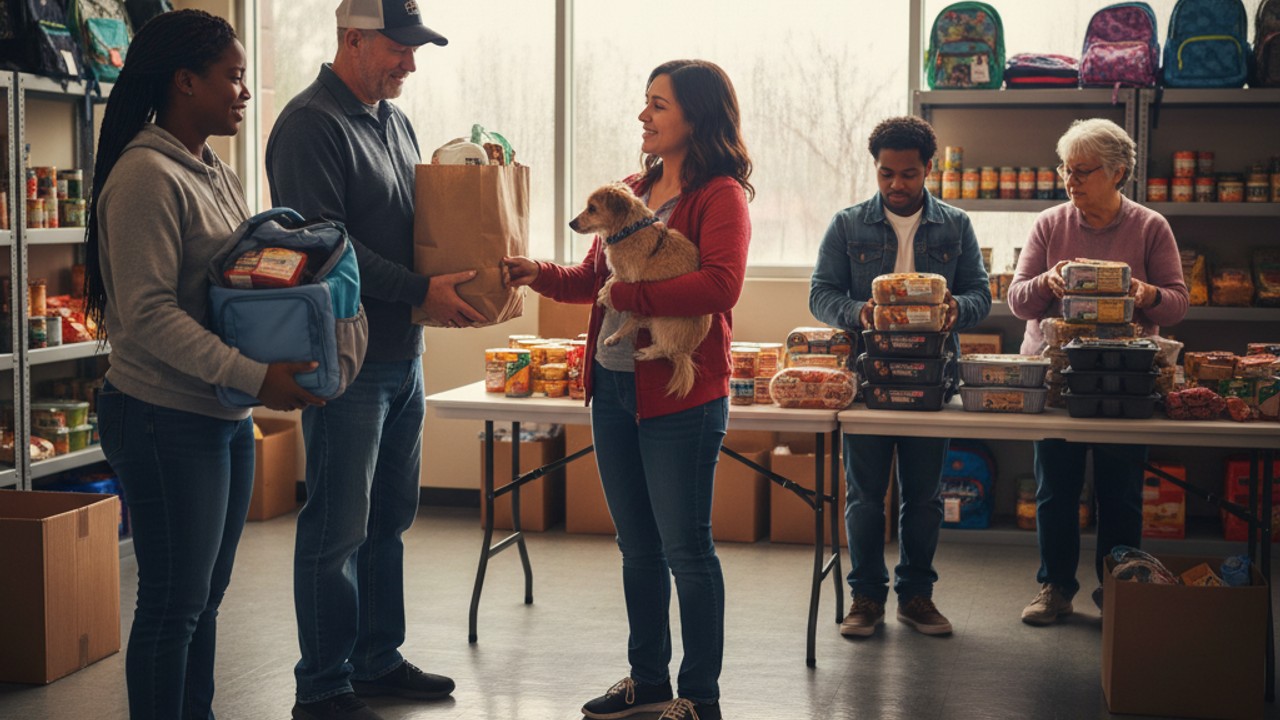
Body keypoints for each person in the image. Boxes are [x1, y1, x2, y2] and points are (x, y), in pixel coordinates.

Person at [84, 9, 325, 719]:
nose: (244, 92)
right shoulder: (145, 177)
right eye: (234, 76)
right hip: (162, 419)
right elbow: (151, 315)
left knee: (204, 602)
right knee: (172, 606)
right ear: (186, 82)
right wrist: (259, 377)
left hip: (218, 411)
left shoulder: (210, 168)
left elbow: (227, 281)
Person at [504, 59, 752, 720]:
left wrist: (630, 293)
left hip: (682, 397)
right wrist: (537, 274)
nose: (643, 115)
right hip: (613, 390)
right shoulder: (630, 188)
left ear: (695, 116)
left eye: (658, 104)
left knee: (686, 551)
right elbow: (592, 279)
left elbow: (721, 287)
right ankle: (648, 680)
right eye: (645, 103)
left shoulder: (719, 194)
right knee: (637, 549)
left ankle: (699, 697)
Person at [265, 1, 483, 718]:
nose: (411, 63)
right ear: (352, 39)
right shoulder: (309, 125)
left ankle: (376, 659)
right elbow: (331, 251)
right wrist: (423, 287)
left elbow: (410, 223)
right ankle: (323, 685)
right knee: (336, 528)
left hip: (402, 351)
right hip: (348, 359)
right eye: (399, 49)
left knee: (390, 516)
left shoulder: (392, 120)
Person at [809, 115, 991, 639]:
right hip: (869, 382)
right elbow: (820, 294)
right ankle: (866, 596)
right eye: (886, 173)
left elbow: (981, 294)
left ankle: (917, 596)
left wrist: (956, 309)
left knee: (925, 497)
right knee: (864, 497)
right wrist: (864, 314)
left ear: (928, 169)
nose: (896, 184)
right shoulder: (847, 225)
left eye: (908, 174)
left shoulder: (955, 225)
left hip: (933, 384)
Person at [1008, 118, 1188, 625]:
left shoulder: (1150, 226)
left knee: (1121, 492)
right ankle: (1055, 588)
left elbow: (1176, 305)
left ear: (1119, 172)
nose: (1071, 180)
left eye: (1083, 170)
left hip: (1126, 382)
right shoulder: (1049, 224)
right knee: (1055, 490)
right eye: (1066, 169)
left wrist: (1145, 294)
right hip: (1058, 379)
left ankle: (1118, 589)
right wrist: (1046, 280)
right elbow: (1019, 302)